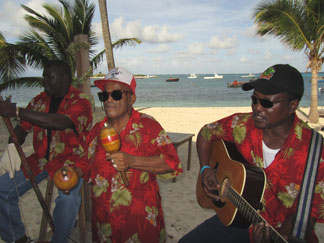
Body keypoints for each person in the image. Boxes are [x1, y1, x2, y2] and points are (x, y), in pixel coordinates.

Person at [179, 64, 324, 243]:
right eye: (254, 100)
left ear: (292, 105)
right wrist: (205, 169)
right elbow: (206, 133)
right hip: (238, 218)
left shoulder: (316, 154)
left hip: (279, 233)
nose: (257, 108)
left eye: (266, 103)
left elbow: (306, 217)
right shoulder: (242, 124)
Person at [0, 60, 93, 243]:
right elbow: (21, 130)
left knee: (67, 201)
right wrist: (13, 145)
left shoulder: (81, 101)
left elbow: (59, 121)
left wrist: (17, 111)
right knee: (2, 189)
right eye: (44, 76)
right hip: (41, 159)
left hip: (71, 161)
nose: (45, 81)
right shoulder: (38, 100)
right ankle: (18, 239)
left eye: (49, 77)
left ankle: (58, 240)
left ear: (65, 78)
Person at [87, 66, 182, 243]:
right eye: (104, 95)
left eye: (116, 95)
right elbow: (86, 165)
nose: (108, 100)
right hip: (104, 222)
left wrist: (132, 161)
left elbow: (172, 164)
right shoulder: (97, 129)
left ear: (131, 99)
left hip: (138, 223)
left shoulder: (148, 126)